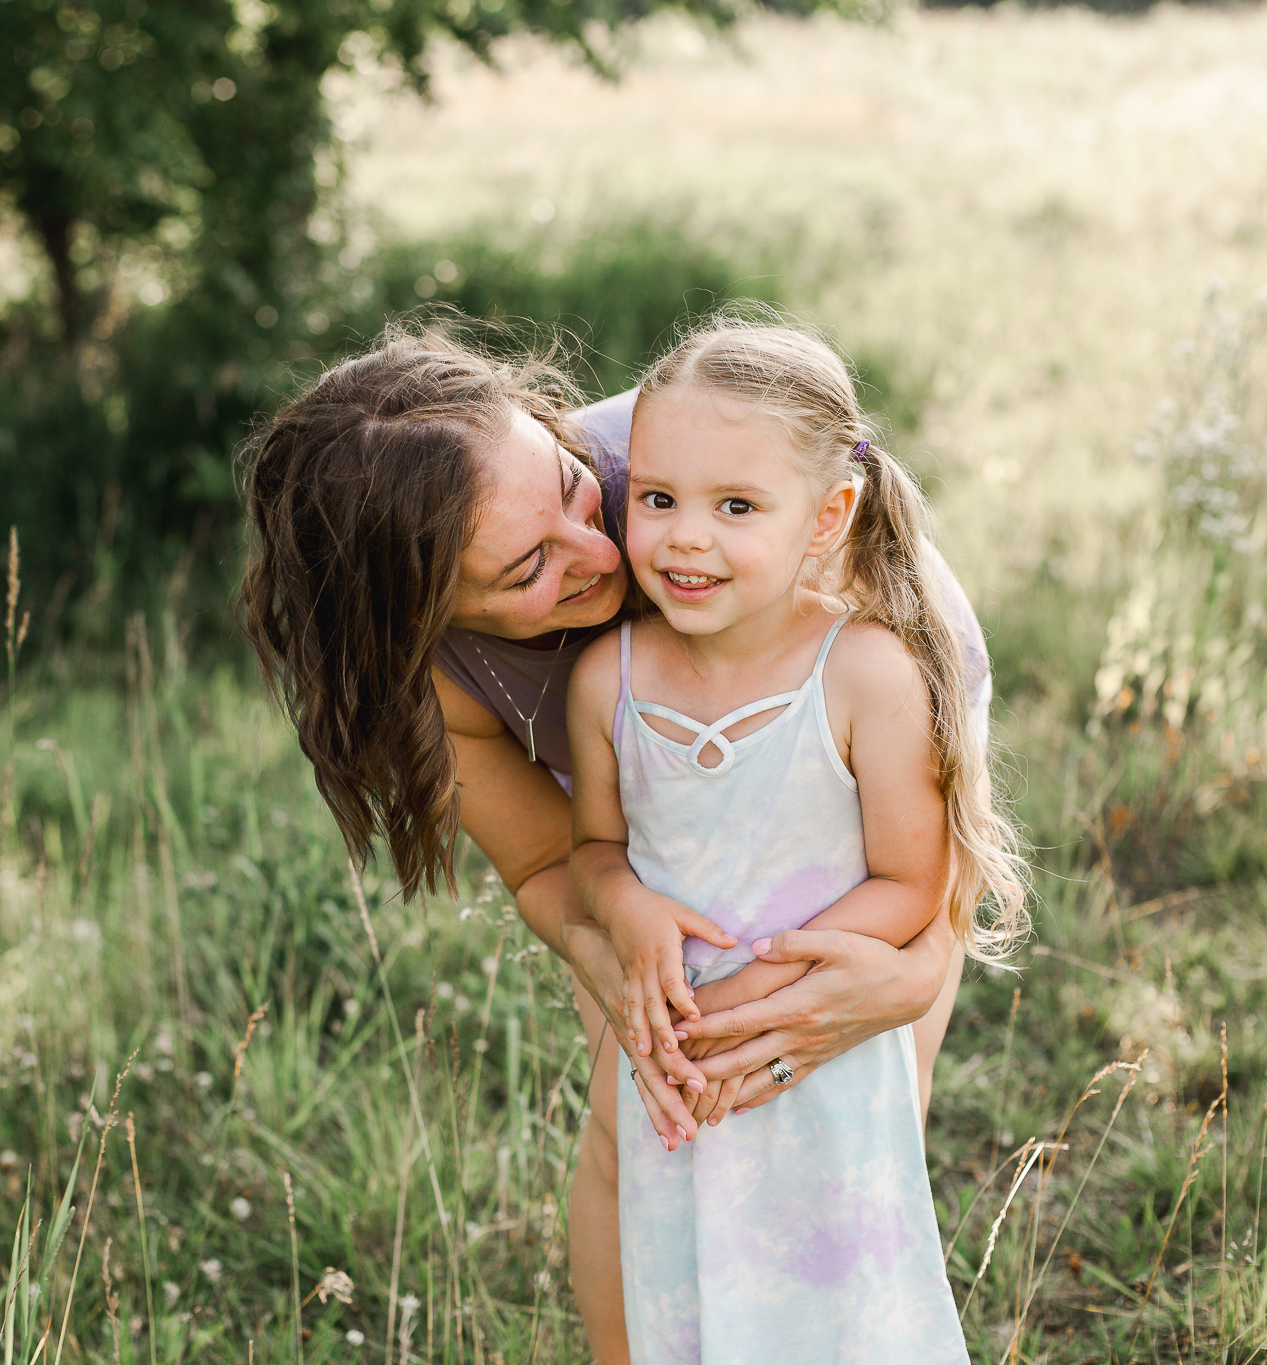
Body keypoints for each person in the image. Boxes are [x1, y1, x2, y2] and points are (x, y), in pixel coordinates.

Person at [237, 317, 993, 1363]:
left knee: (843, 1127)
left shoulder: (717, 485)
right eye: (524, 570)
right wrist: (634, 988)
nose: (603, 552)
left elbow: (929, 852)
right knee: (625, 1130)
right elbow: (555, 860)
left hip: (860, 800)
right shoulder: (442, 682)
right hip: (649, 833)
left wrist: (906, 980)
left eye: (565, 489)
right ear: (425, 618)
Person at [568, 318, 1026, 1362]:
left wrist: (757, 998)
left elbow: (911, 882)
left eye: (735, 507)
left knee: (828, 1312)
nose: (686, 536)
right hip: (677, 1069)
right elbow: (591, 849)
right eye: (657, 499)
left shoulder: (865, 673)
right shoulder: (610, 681)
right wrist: (624, 903)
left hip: (807, 1047)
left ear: (826, 518)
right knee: (683, 1297)